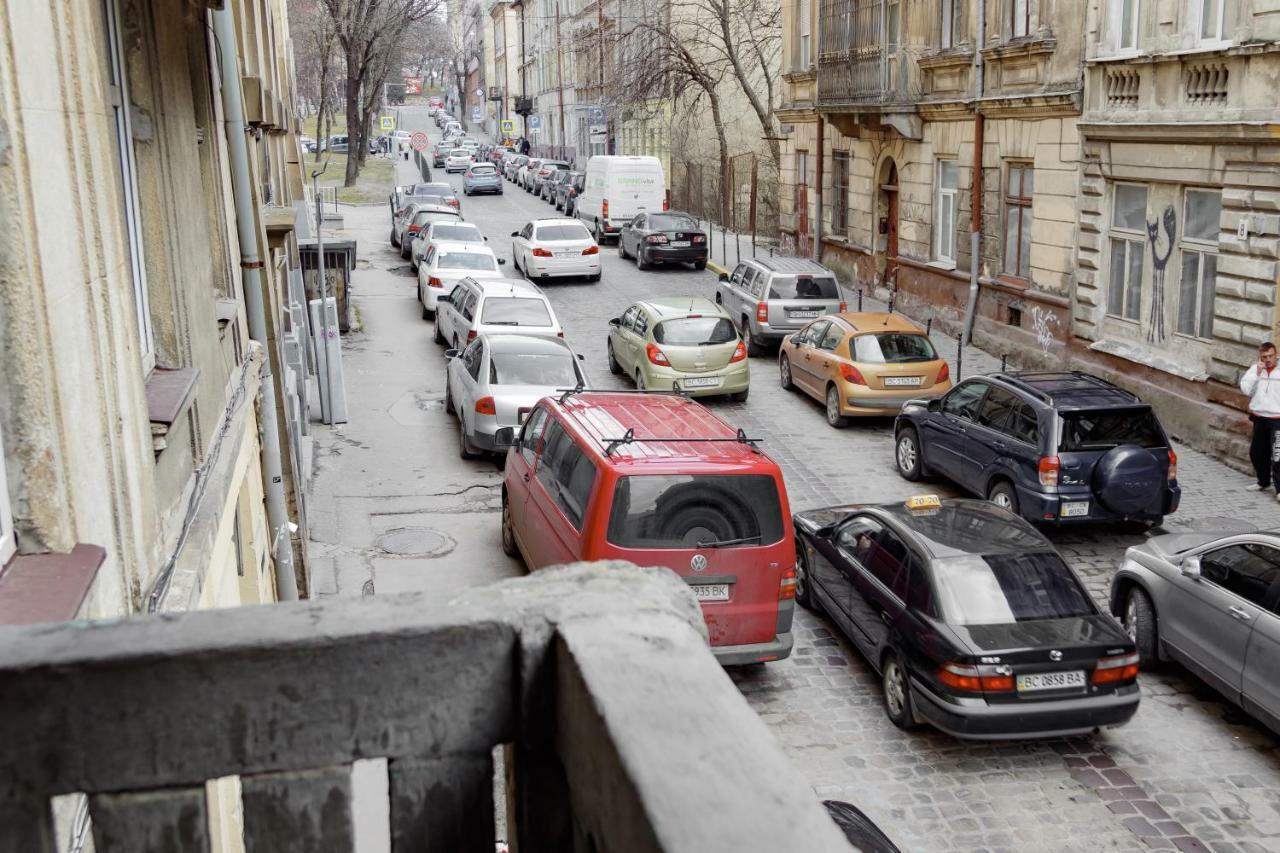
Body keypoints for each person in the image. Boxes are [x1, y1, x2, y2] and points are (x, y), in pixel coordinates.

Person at [1240, 341, 1280, 498]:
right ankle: (1263, 482)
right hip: (1259, 417)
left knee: (1277, 454)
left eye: (1271, 356)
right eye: (1264, 357)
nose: (1268, 359)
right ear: (1260, 357)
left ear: (1276, 354)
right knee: (1256, 453)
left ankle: (1279, 490)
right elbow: (1246, 389)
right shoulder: (1255, 370)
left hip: (1277, 419)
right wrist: (1257, 373)